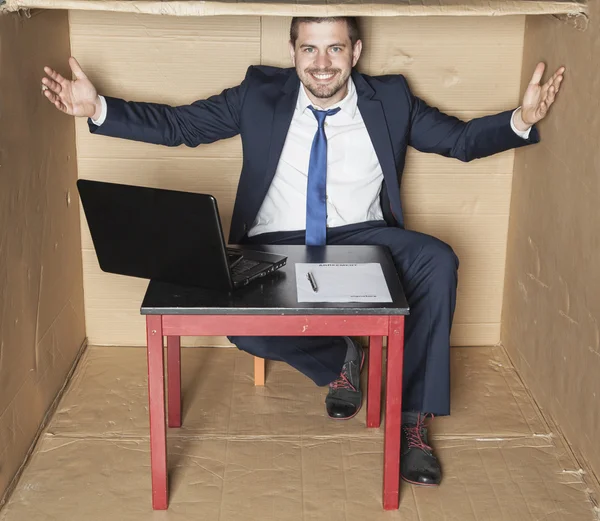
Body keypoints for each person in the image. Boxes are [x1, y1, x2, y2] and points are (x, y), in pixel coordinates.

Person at [41, 16, 564, 487]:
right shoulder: (258, 93)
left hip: (363, 238)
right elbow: (182, 127)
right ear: (293, 52)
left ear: (355, 53)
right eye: (309, 49)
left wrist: (520, 118)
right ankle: (342, 357)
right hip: (277, 244)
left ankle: (412, 424)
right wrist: (100, 108)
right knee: (242, 323)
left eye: (334, 49)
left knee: (438, 259)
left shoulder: (392, 99)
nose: (321, 64)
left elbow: (461, 140)